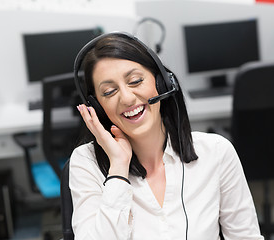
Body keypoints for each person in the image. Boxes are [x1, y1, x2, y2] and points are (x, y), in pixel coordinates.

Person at [69, 32, 263, 240]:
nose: (126, 98)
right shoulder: (86, 163)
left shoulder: (215, 152)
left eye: (135, 81)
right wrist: (118, 169)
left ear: (161, 83)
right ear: (97, 107)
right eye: (109, 92)